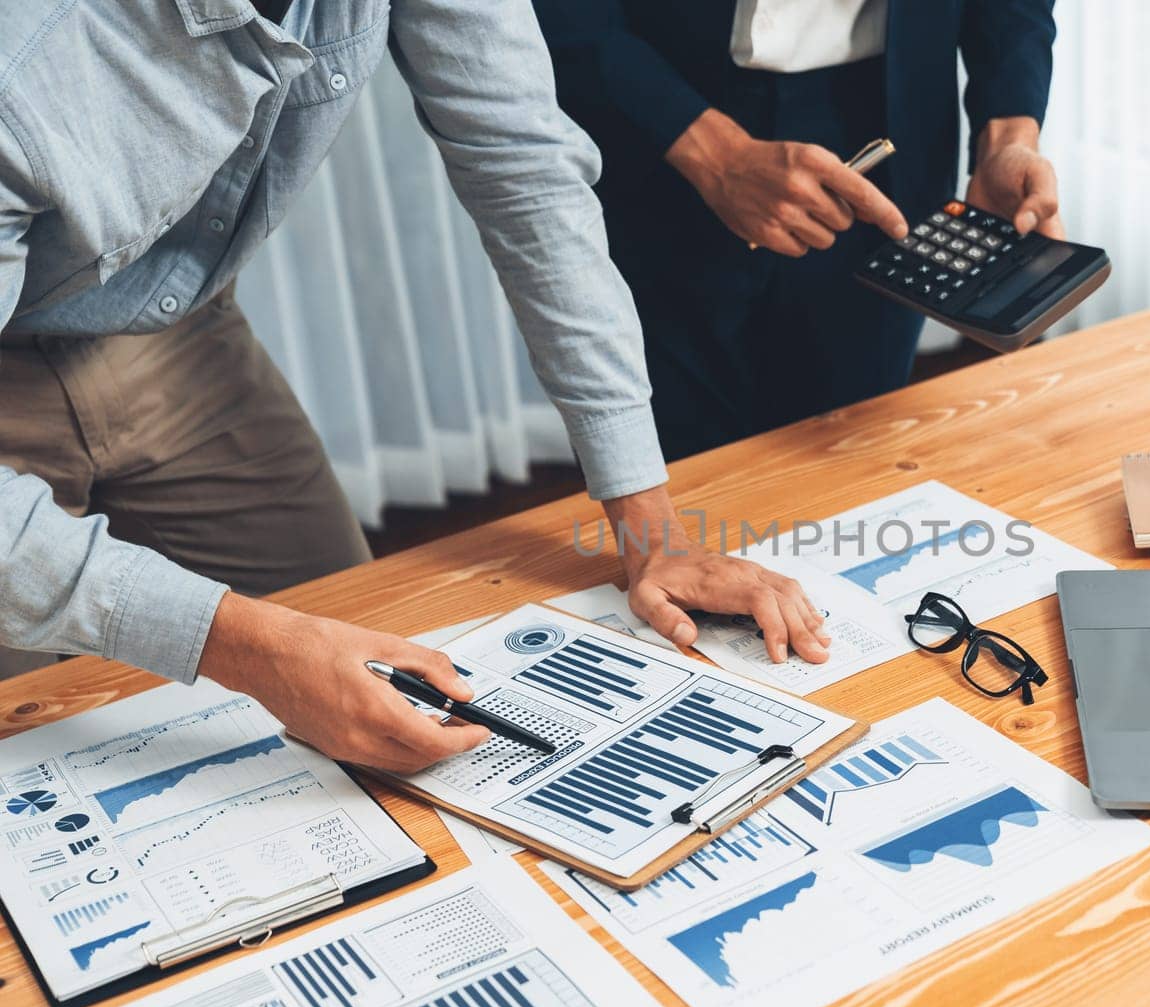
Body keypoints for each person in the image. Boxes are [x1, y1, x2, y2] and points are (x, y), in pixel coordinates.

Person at [0, 0, 828, 774]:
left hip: (178, 334)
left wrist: (655, 534)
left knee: (372, 658)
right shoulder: (29, 59)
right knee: (32, 741)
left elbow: (525, 169)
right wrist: (251, 649)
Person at [532, 0, 1062, 460]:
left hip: (889, 127)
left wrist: (1008, 136)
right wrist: (715, 156)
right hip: (657, 117)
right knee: (671, 466)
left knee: (848, 457)